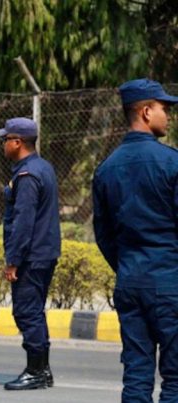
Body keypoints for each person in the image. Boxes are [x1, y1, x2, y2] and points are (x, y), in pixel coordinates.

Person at [93, 78, 178, 402]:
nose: (168, 116)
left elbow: (103, 233)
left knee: (137, 377)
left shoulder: (107, 168)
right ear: (145, 112)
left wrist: (127, 265)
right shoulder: (172, 163)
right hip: (169, 281)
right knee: (175, 380)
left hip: (130, 281)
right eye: (164, 109)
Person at [0, 117, 60, 391]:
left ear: (17, 142)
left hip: (31, 255)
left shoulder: (27, 175)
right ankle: (42, 370)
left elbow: (23, 221)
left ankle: (35, 370)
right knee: (34, 312)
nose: (3, 145)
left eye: (5, 140)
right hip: (44, 252)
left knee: (26, 313)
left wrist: (13, 260)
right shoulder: (42, 167)